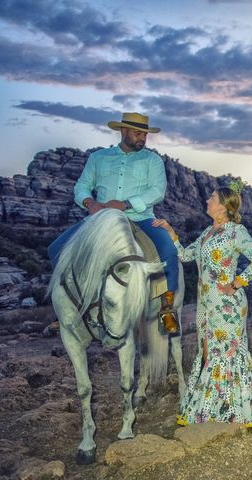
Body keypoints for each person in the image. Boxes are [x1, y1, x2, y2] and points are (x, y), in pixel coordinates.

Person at [47, 112, 180, 334]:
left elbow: (157, 191)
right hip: (101, 219)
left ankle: (166, 309)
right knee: (56, 250)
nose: (143, 138)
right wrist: (89, 203)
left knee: (168, 252)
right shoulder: (98, 158)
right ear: (123, 131)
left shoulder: (152, 160)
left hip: (140, 218)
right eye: (138, 133)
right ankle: (68, 310)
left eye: (145, 134)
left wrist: (126, 204)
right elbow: (82, 185)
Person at [153, 182, 252, 426]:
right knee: (207, 352)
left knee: (226, 353)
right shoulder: (207, 233)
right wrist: (170, 231)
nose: (207, 201)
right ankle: (214, 406)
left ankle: (234, 410)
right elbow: (184, 255)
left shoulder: (237, 232)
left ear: (224, 207)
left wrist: (237, 282)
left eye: (212, 198)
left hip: (228, 305)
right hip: (206, 304)